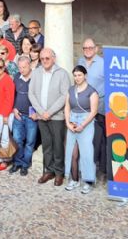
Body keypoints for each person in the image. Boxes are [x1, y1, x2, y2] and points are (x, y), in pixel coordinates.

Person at [29, 48, 70, 186]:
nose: (45, 61)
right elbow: (31, 94)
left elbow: (64, 95)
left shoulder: (62, 74)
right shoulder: (36, 73)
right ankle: (48, 170)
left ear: (53, 58)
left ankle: (59, 173)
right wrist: (41, 112)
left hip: (56, 116)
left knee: (58, 144)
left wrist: (50, 112)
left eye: (47, 58)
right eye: (42, 59)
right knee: (46, 144)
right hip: (42, 116)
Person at [63, 65, 99, 194]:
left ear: (85, 75)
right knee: (73, 153)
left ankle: (88, 181)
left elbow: (93, 111)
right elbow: (67, 106)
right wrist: (67, 122)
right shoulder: (71, 90)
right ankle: (74, 179)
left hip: (86, 122)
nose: (77, 77)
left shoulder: (92, 91)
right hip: (72, 120)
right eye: (75, 75)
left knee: (86, 152)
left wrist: (83, 125)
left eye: (79, 75)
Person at [76, 38, 106, 178]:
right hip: (82, 108)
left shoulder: (103, 63)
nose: (87, 50)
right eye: (85, 48)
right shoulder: (80, 62)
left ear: (96, 49)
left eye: (90, 47)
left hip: (98, 108)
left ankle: (94, 172)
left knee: (96, 141)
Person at [9, 56, 37, 177]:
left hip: (31, 115)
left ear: (30, 65)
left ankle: (25, 165)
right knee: (17, 140)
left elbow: (40, 96)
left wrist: (36, 112)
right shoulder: (16, 77)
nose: (21, 70)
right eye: (19, 67)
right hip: (18, 114)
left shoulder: (36, 78)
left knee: (30, 142)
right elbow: (12, 94)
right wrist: (14, 108)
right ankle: (17, 162)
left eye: (24, 67)